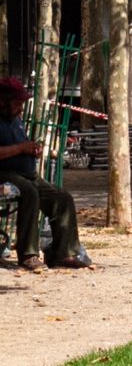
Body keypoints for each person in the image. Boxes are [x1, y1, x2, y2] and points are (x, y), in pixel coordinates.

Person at [0, 76, 88, 271]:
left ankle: (63, 253)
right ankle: (28, 255)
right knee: (29, 192)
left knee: (62, 197)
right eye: (17, 103)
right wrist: (21, 148)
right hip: (4, 174)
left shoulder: (15, 120)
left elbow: (22, 145)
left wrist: (32, 149)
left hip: (26, 174)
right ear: (3, 101)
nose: (20, 108)